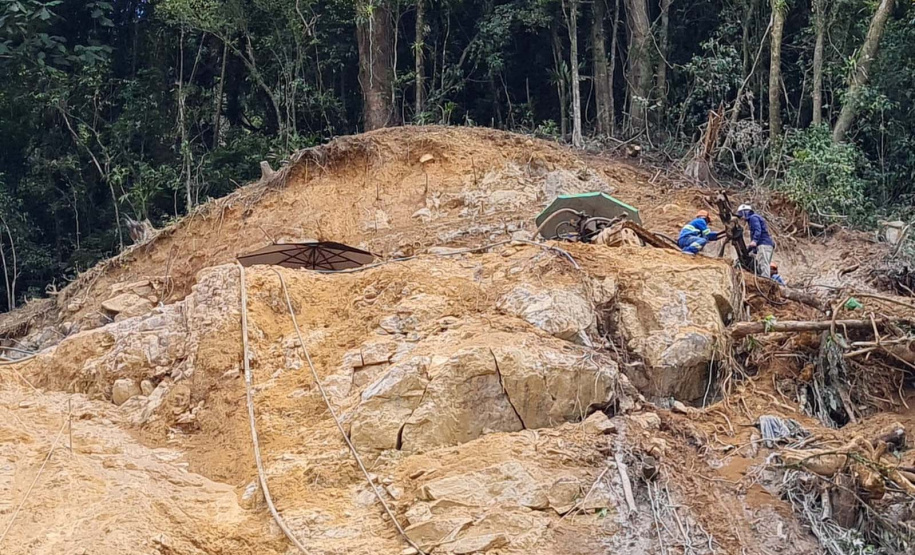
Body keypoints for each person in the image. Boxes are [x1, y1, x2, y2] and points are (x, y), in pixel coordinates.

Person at [736, 204, 776, 278]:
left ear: (745, 212)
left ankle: (765, 280)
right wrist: (749, 250)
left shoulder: (753, 218)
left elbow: (758, 230)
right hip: (764, 244)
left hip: (764, 244)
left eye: (741, 215)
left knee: (763, 263)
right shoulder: (754, 218)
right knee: (761, 263)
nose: (742, 218)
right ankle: (763, 278)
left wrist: (754, 241)